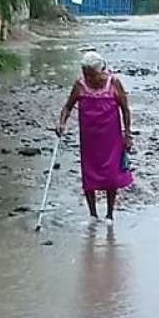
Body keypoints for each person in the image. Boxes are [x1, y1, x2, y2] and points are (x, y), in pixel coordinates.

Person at [57, 51, 133, 225]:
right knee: (89, 174)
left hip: (111, 138)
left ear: (101, 71)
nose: (90, 78)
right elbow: (68, 107)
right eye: (86, 74)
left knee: (111, 175)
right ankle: (92, 214)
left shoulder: (113, 83)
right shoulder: (80, 85)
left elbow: (125, 109)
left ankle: (109, 215)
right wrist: (62, 123)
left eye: (92, 74)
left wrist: (127, 135)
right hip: (89, 138)